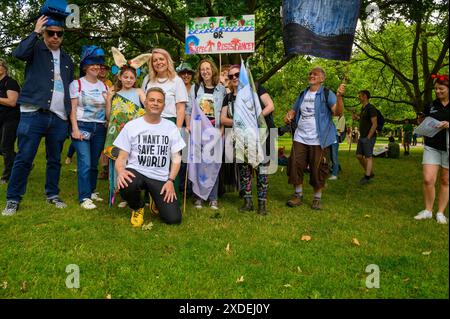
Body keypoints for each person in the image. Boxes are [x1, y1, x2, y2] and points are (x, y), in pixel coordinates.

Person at [2, 15, 74, 216]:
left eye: (59, 34)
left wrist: (68, 116)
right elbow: (18, 53)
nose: (55, 37)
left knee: (54, 159)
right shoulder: (34, 48)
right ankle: (13, 199)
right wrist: (34, 32)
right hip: (33, 113)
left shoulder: (68, 59)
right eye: (50, 33)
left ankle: (52, 194)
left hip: (59, 117)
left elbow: (68, 88)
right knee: (24, 157)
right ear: (44, 33)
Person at [114, 87, 185, 226]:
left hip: (160, 177)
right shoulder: (132, 126)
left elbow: (176, 158)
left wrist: (170, 181)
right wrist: (121, 171)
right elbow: (121, 158)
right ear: (145, 103)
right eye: (152, 100)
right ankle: (138, 206)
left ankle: (155, 199)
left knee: (174, 219)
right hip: (137, 172)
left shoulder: (171, 127)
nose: (155, 103)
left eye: (159, 101)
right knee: (126, 183)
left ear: (163, 106)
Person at [284, 66, 345, 210]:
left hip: (319, 138)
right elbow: (293, 110)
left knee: (318, 167)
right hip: (300, 136)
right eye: (310, 73)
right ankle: (298, 195)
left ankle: (317, 198)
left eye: (315, 74)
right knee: (295, 164)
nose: (311, 75)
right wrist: (289, 115)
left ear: (322, 78)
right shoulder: (302, 93)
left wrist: (339, 96)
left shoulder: (326, 93)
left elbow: (337, 112)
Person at [221, 65, 276, 214]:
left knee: (262, 170)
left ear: (243, 75)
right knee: (244, 170)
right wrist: (239, 122)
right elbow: (223, 119)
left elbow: (270, 106)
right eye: (231, 76)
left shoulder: (256, 89)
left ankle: (262, 205)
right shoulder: (229, 97)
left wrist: (253, 119)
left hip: (261, 136)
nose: (234, 78)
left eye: (237, 74)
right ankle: (248, 202)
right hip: (241, 139)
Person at [103, 48, 150, 206]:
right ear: (120, 77)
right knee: (119, 164)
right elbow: (110, 117)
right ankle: (120, 192)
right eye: (126, 77)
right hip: (118, 136)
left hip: (135, 135)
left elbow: (148, 109)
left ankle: (131, 194)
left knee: (133, 164)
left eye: (132, 77)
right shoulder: (114, 94)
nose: (129, 80)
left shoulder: (139, 92)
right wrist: (108, 100)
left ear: (135, 78)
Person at [69, 45, 109, 209]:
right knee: (84, 162)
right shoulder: (76, 84)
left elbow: (107, 111)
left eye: (98, 64)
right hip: (82, 126)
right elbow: (72, 110)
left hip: (99, 128)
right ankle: (84, 197)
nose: (96, 67)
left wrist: (109, 109)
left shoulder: (104, 86)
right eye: (92, 63)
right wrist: (75, 129)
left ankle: (91, 191)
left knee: (93, 163)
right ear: (85, 66)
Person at [186, 59, 226, 210]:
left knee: (212, 164)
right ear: (199, 72)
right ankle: (198, 197)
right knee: (198, 164)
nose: (205, 71)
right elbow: (189, 109)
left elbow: (225, 111)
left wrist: (221, 131)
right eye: (202, 69)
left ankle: (213, 198)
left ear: (213, 70)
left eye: (208, 68)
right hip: (198, 132)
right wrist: (189, 126)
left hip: (215, 132)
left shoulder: (221, 89)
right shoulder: (195, 89)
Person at [414, 74, 449, 224]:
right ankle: (428, 210)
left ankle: (440, 213)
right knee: (428, 179)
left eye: (441, 89)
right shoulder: (431, 105)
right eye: (436, 89)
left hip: (448, 147)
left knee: (445, 180)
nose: (438, 91)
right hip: (432, 146)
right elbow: (424, 120)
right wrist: (421, 121)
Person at [0, 58, 21, 185]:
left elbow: (12, 102)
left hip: (11, 119)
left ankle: (7, 177)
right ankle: (25, 163)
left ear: (4, 68)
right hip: (0, 119)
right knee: (1, 148)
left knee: (6, 147)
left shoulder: (10, 82)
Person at [352, 90, 377, 185]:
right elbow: (363, 120)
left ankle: (367, 177)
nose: (359, 97)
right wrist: (356, 117)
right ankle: (369, 172)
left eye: (360, 96)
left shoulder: (371, 108)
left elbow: (374, 124)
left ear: (365, 96)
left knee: (368, 157)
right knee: (359, 156)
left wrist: (369, 137)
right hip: (362, 136)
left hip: (368, 137)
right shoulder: (363, 108)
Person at [329, 114, 346, 180]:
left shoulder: (341, 117)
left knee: (334, 155)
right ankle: (332, 168)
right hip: (328, 137)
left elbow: (340, 129)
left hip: (335, 137)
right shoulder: (330, 115)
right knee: (329, 155)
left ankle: (334, 174)